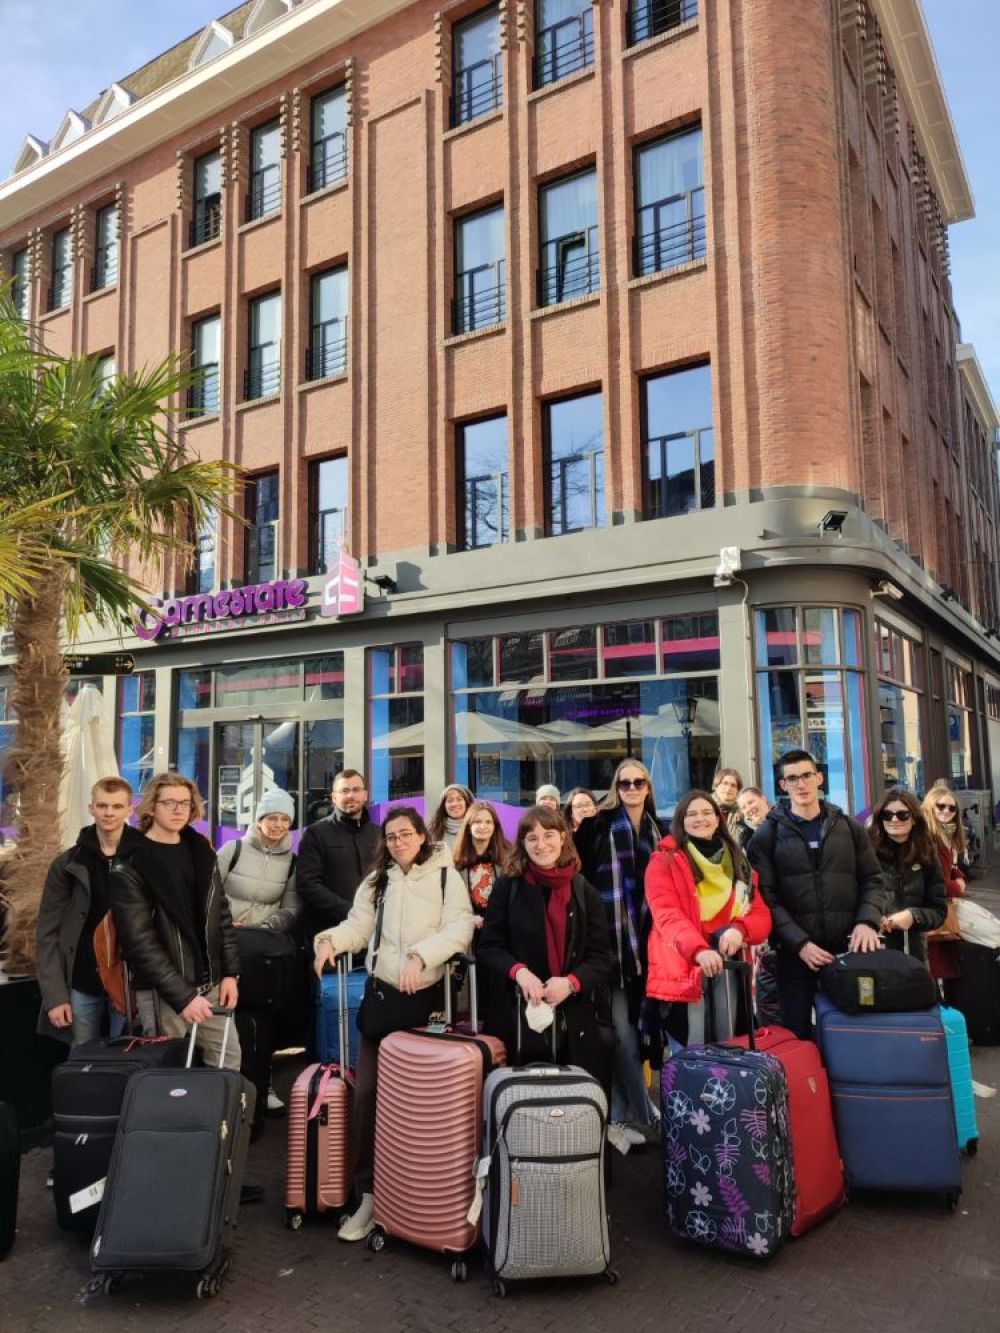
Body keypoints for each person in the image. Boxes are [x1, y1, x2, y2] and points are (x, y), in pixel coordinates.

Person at [312, 807, 474, 1242]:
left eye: (406, 833)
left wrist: (422, 954)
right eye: (391, 836)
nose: (399, 841)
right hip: (384, 1001)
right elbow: (358, 926)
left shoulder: (446, 877)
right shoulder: (377, 881)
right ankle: (368, 1192)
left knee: (421, 1104)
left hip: (429, 1004)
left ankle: (418, 1193)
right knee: (367, 1095)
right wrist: (329, 941)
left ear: (421, 836)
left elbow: (460, 928)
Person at [477, 805, 613, 1128]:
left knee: (571, 1111)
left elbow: (601, 958)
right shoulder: (507, 887)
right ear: (522, 843)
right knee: (524, 1109)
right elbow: (489, 947)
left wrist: (571, 983)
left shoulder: (584, 890)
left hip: (574, 1020)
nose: (541, 845)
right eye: (532, 838)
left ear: (563, 838)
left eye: (549, 835)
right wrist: (519, 972)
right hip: (517, 1017)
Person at [748, 749, 884, 1039]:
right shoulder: (766, 836)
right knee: (797, 1035)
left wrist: (867, 922)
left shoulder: (849, 827)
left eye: (807, 775)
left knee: (853, 1032)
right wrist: (800, 943)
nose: (801, 784)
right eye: (792, 778)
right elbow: (766, 897)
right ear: (783, 785)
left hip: (847, 948)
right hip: (794, 955)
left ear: (819, 778)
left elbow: (873, 879)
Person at [574, 758, 663, 1149]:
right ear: (615, 787)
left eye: (638, 782)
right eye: (624, 783)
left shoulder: (659, 831)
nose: (631, 789)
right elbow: (580, 881)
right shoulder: (597, 825)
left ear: (648, 787)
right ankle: (643, 1112)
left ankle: (619, 1115)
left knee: (639, 1034)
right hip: (609, 946)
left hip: (649, 947)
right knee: (622, 1033)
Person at [645, 791, 772, 1043]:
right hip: (685, 967)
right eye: (691, 814)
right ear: (681, 821)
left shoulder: (739, 862)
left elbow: (760, 914)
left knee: (728, 1049)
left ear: (717, 818)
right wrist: (698, 950)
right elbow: (667, 915)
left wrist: (739, 929)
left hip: (730, 970)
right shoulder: (663, 861)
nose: (700, 819)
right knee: (691, 1052)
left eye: (706, 812)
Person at [36, 776, 142, 1045]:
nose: (109, 813)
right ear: (91, 808)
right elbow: (47, 933)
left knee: (128, 1054)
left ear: (130, 810)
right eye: (102, 805)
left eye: (117, 806)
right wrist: (55, 997)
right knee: (82, 1057)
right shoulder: (68, 864)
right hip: (82, 977)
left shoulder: (147, 857)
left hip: (132, 978)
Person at [217, 788, 300, 1119]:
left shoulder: (292, 862)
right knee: (225, 1015)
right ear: (259, 819)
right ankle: (225, 1087)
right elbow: (208, 892)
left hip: (261, 950)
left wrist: (266, 926)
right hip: (226, 942)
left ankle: (263, 1085)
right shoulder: (233, 849)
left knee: (262, 1022)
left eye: (284, 819)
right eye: (272, 818)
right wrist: (226, 922)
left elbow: (292, 907)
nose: (278, 825)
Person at [296, 769, 379, 948]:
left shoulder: (379, 834)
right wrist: (350, 911)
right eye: (344, 791)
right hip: (329, 934)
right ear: (334, 797)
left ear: (365, 795)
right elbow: (307, 884)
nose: (351, 795)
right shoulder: (316, 834)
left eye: (356, 790)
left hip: (374, 934)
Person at [868, 788, 947, 963]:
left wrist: (913, 916)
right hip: (875, 949)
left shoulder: (926, 854)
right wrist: (871, 918)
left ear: (914, 819)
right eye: (887, 815)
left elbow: (939, 911)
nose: (894, 820)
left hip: (913, 953)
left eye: (902, 815)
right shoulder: (867, 854)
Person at [451, 800, 511, 926]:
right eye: (477, 822)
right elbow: (451, 902)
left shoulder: (508, 857)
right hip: (467, 927)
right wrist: (468, 918)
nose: (483, 826)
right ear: (468, 825)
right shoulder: (455, 861)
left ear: (495, 826)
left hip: (500, 926)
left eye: (488, 822)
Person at [427, 783, 475, 849]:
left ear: (467, 803)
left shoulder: (476, 828)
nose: (454, 804)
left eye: (459, 799)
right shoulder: (434, 832)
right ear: (444, 806)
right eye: (450, 800)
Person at [733, 786, 770, 851]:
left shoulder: (783, 817)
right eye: (744, 808)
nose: (748, 809)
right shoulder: (745, 836)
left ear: (763, 799)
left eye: (751, 802)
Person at [711, 767, 743, 833]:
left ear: (738, 790)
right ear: (716, 786)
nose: (728, 788)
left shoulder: (743, 811)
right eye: (725, 783)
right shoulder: (705, 807)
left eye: (733, 785)